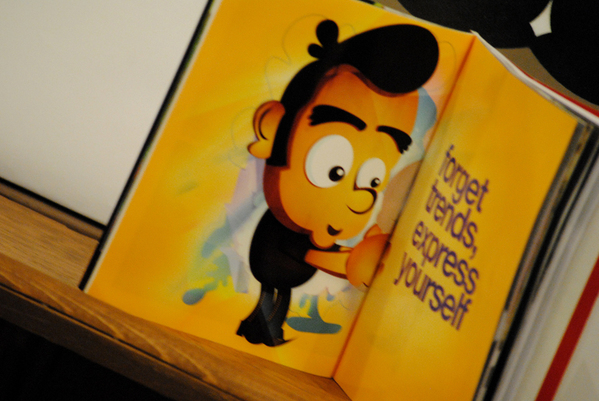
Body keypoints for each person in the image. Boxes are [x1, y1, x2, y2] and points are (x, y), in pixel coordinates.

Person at [237, 19, 439, 346]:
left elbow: (325, 254)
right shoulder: (283, 232)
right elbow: (316, 256)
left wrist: (359, 257)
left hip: (287, 266)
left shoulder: (320, 229)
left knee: (276, 293)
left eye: (373, 180)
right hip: (274, 261)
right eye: (334, 170)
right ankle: (262, 328)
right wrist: (351, 263)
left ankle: (263, 327)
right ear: (272, 131)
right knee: (272, 291)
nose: (360, 197)